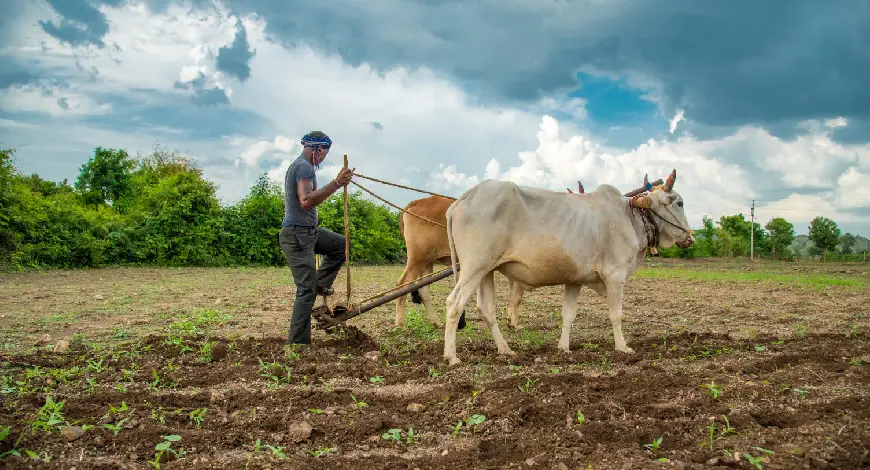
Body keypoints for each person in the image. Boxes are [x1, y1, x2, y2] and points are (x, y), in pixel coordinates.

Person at [279, 131, 354, 346]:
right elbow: (305, 200)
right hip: (296, 235)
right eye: (323, 154)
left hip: (309, 232)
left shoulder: (305, 166)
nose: (323, 159)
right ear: (316, 149)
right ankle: (298, 345)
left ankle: (320, 284)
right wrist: (337, 183)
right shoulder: (303, 166)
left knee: (340, 244)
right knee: (305, 290)